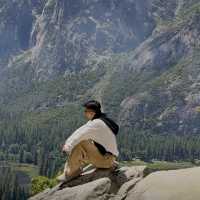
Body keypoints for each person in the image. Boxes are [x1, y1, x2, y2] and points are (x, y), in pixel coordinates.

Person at [56, 100, 120, 182]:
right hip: (110, 157)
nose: (85, 113)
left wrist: (67, 147)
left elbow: (80, 134)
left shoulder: (95, 124)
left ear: (92, 113)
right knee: (87, 141)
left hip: (106, 160)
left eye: (86, 111)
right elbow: (81, 131)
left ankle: (71, 173)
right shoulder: (103, 120)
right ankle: (111, 163)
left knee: (81, 143)